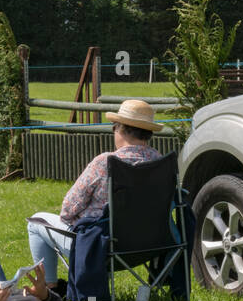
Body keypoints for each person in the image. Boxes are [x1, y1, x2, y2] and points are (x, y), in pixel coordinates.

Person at [28, 99, 163, 285]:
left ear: (120, 129)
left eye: (114, 126)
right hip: (150, 245)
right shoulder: (160, 162)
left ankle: (49, 288)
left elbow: (68, 209)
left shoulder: (105, 162)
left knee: (36, 222)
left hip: (101, 247)